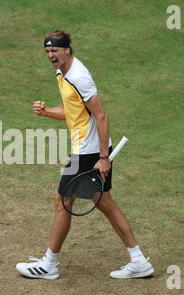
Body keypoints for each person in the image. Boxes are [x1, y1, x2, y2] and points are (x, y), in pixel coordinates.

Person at [16, 31, 154, 280]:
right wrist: (47, 111)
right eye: (47, 51)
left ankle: (49, 264)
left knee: (62, 202)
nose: (51, 55)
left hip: (89, 154)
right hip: (87, 150)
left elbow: (101, 115)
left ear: (67, 49)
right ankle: (138, 261)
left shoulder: (79, 77)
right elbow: (74, 113)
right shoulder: (63, 74)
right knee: (105, 204)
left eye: (55, 50)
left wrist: (103, 157)